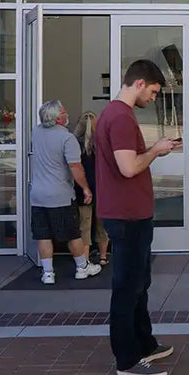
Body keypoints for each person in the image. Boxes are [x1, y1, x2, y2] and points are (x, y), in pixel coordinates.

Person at [96, 59, 180, 375]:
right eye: (155, 92)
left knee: (138, 285)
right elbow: (128, 167)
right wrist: (157, 150)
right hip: (126, 215)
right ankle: (127, 359)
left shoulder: (118, 115)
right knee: (127, 287)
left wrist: (158, 149)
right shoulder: (119, 117)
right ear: (140, 83)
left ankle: (144, 343)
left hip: (131, 214)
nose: (154, 99)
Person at [29, 100, 101, 285]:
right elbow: (75, 167)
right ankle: (82, 267)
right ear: (58, 118)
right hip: (60, 195)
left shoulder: (36, 132)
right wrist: (85, 188)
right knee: (72, 233)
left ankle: (48, 273)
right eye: (63, 112)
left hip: (38, 195)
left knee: (43, 234)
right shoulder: (66, 138)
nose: (66, 114)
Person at [73, 111, 109, 265]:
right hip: (102, 188)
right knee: (102, 225)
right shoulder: (102, 143)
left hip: (83, 189)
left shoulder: (74, 144)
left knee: (84, 227)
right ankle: (103, 257)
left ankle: (85, 260)